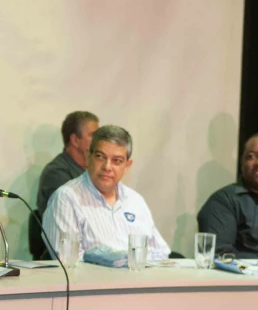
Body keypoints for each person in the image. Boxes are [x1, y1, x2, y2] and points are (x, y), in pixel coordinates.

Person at [42, 125, 171, 260]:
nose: (107, 167)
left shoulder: (135, 201)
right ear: (88, 157)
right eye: (100, 157)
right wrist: (117, 261)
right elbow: (69, 262)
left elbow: (161, 253)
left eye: (117, 161)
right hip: (95, 281)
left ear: (126, 166)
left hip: (139, 279)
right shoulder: (66, 198)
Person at [31, 111, 99, 258]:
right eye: (93, 135)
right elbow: (74, 218)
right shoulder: (56, 174)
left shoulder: (94, 172)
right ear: (75, 140)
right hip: (65, 256)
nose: (99, 140)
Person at [197, 132, 258, 259]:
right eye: (251, 156)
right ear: (242, 162)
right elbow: (221, 255)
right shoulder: (224, 201)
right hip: (245, 276)